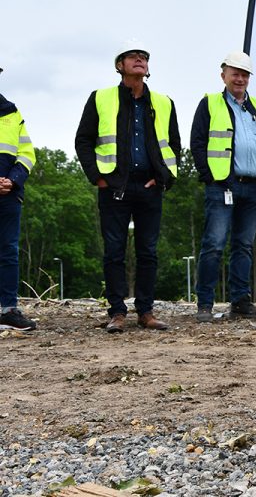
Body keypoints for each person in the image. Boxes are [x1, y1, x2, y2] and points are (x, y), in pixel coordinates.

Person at [75, 40, 180, 333]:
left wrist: (163, 178)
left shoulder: (163, 102)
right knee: (114, 252)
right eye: (132, 56)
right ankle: (117, 312)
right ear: (119, 66)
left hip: (149, 187)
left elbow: (173, 144)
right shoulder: (100, 98)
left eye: (144, 57)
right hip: (114, 186)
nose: (140, 60)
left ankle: (145, 312)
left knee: (148, 251)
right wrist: (97, 177)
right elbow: (83, 140)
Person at [190, 52, 256, 323]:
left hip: (254, 188)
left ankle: (240, 301)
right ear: (223, 74)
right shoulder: (210, 103)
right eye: (235, 73)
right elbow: (198, 142)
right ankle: (205, 304)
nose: (240, 78)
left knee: (244, 245)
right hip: (222, 186)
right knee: (214, 244)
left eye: (244, 74)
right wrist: (209, 176)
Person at [0, 65, 37, 331]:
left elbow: (27, 152)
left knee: (8, 252)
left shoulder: (11, 111)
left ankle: (8, 310)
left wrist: (12, 180)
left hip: (8, 193)